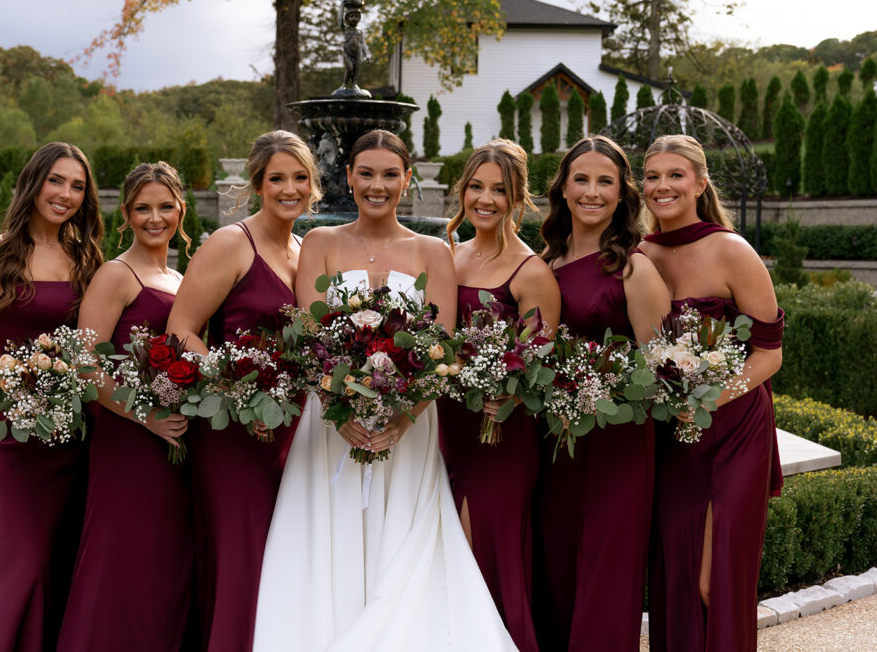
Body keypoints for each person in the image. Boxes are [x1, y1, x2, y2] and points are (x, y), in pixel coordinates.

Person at [254, 129, 517, 652]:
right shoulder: (319, 242)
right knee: (329, 539)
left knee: (403, 543)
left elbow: (440, 349)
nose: (378, 185)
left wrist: (403, 416)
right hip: (332, 424)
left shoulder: (433, 251)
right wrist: (339, 411)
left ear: (407, 179)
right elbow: (310, 338)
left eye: (390, 174)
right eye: (367, 174)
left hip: (409, 426)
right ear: (348, 178)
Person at [0, 142, 103, 651]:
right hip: (10, 432)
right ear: (34, 182)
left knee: (62, 556)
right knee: (20, 560)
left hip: (72, 433)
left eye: (77, 186)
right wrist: (15, 383)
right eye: (56, 181)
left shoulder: (87, 258)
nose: (66, 194)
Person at [166, 130, 322, 652]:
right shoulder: (232, 243)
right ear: (258, 184)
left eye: (299, 178)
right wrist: (239, 393)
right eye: (277, 178)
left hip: (291, 432)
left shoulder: (304, 250)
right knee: (242, 560)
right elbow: (181, 330)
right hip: (233, 431)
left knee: (282, 564)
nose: (289, 188)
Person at [640, 135, 783, 652]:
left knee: (713, 577)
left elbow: (769, 354)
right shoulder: (640, 254)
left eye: (675, 175)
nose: (662, 186)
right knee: (676, 573)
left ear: (701, 184)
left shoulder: (731, 250)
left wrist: (707, 400)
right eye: (652, 176)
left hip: (735, 431)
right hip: (673, 438)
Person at [533, 135, 671, 652]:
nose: (592, 192)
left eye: (605, 182)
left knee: (605, 575)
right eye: (582, 180)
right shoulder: (544, 263)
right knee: (555, 567)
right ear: (564, 189)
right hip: (554, 443)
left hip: (617, 445)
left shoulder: (634, 267)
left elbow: (661, 370)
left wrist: (598, 388)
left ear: (620, 194)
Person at [57, 162, 194, 651]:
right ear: (127, 215)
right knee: (122, 562)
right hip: (128, 445)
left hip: (176, 444)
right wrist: (147, 416)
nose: (155, 218)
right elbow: (84, 365)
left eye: (165, 207)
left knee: (165, 568)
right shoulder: (116, 275)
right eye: (143, 209)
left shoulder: (180, 277)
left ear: (181, 210)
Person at [439, 139, 560, 652]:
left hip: (500, 437)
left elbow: (540, 364)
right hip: (445, 431)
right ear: (463, 191)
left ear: (517, 198)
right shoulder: (448, 256)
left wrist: (509, 396)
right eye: (476, 187)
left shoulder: (531, 272)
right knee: (446, 559)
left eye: (499, 190)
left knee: (481, 554)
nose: (485, 199)